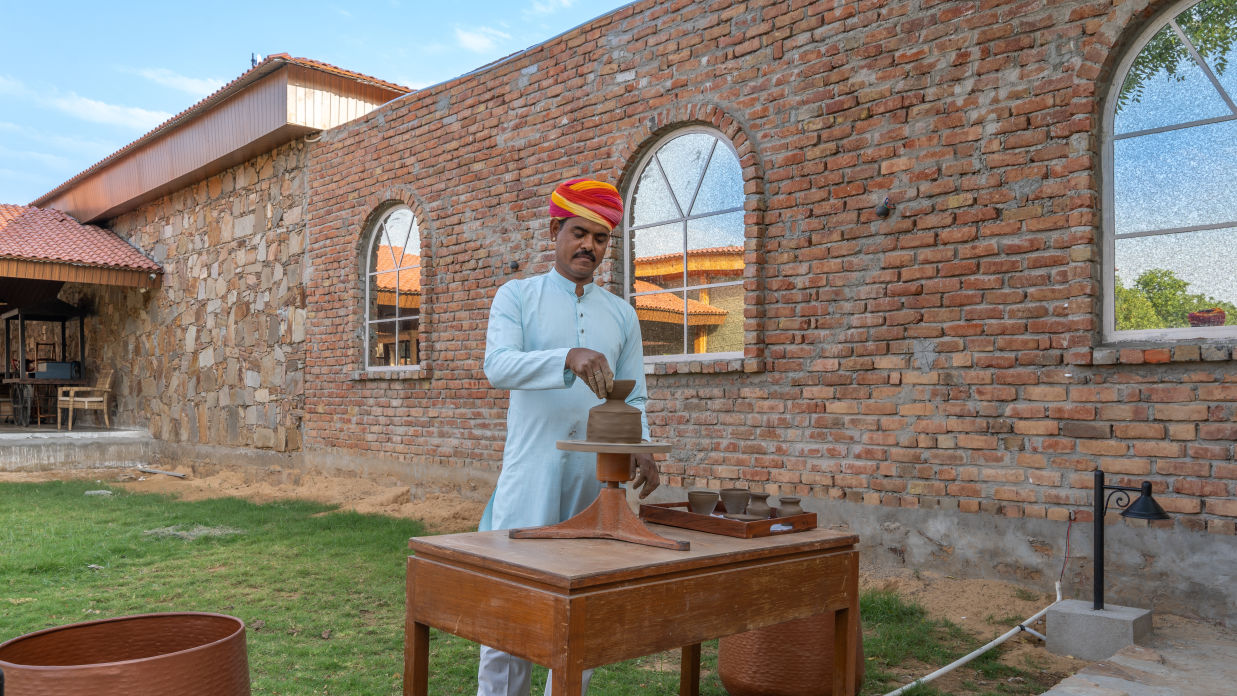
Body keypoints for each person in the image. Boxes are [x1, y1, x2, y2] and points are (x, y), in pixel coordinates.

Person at [476, 178, 659, 696]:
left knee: (581, 616)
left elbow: (636, 397)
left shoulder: (622, 314)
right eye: (579, 233)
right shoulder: (517, 296)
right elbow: (498, 366)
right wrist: (565, 357)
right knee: (511, 617)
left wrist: (640, 442)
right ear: (555, 230)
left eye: (600, 239)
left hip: (596, 482)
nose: (589, 247)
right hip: (531, 475)